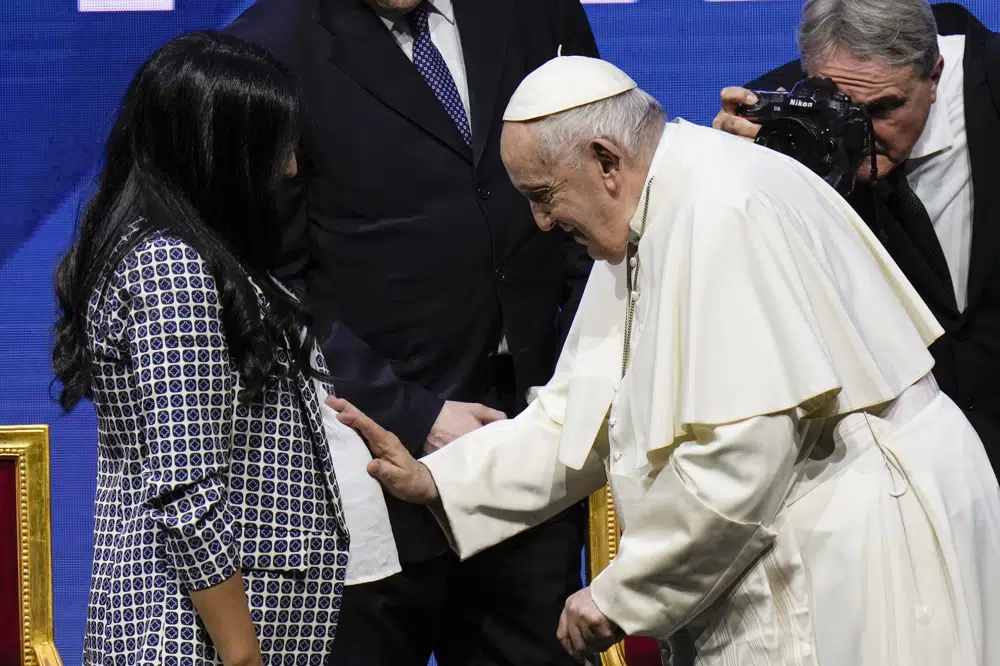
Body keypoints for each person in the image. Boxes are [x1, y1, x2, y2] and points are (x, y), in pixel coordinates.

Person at [332, 55, 1000, 665]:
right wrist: (441, 480)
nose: (540, 224)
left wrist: (624, 596)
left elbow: (742, 456)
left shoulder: (719, 211)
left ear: (605, 160)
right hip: (816, 510)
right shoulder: (652, 208)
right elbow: (581, 410)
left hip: (868, 526)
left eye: (543, 195)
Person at [226, 1, 598, 665]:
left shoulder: (535, 10)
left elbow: (592, 185)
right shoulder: (271, 44)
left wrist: (573, 374)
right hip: (364, 451)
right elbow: (265, 274)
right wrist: (414, 412)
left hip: (527, 439)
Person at [53, 31, 350, 666]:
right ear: (218, 153)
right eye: (276, 148)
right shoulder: (172, 267)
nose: (292, 169)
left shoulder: (195, 250)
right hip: (193, 640)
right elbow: (186, 487)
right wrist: (241, 652)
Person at [712, 0, 1000, 470]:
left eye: (885, 108)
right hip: (892, 470)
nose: (863, 132)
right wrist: (734, 179)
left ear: (935, 75)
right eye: (846, 109)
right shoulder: (776, 124)